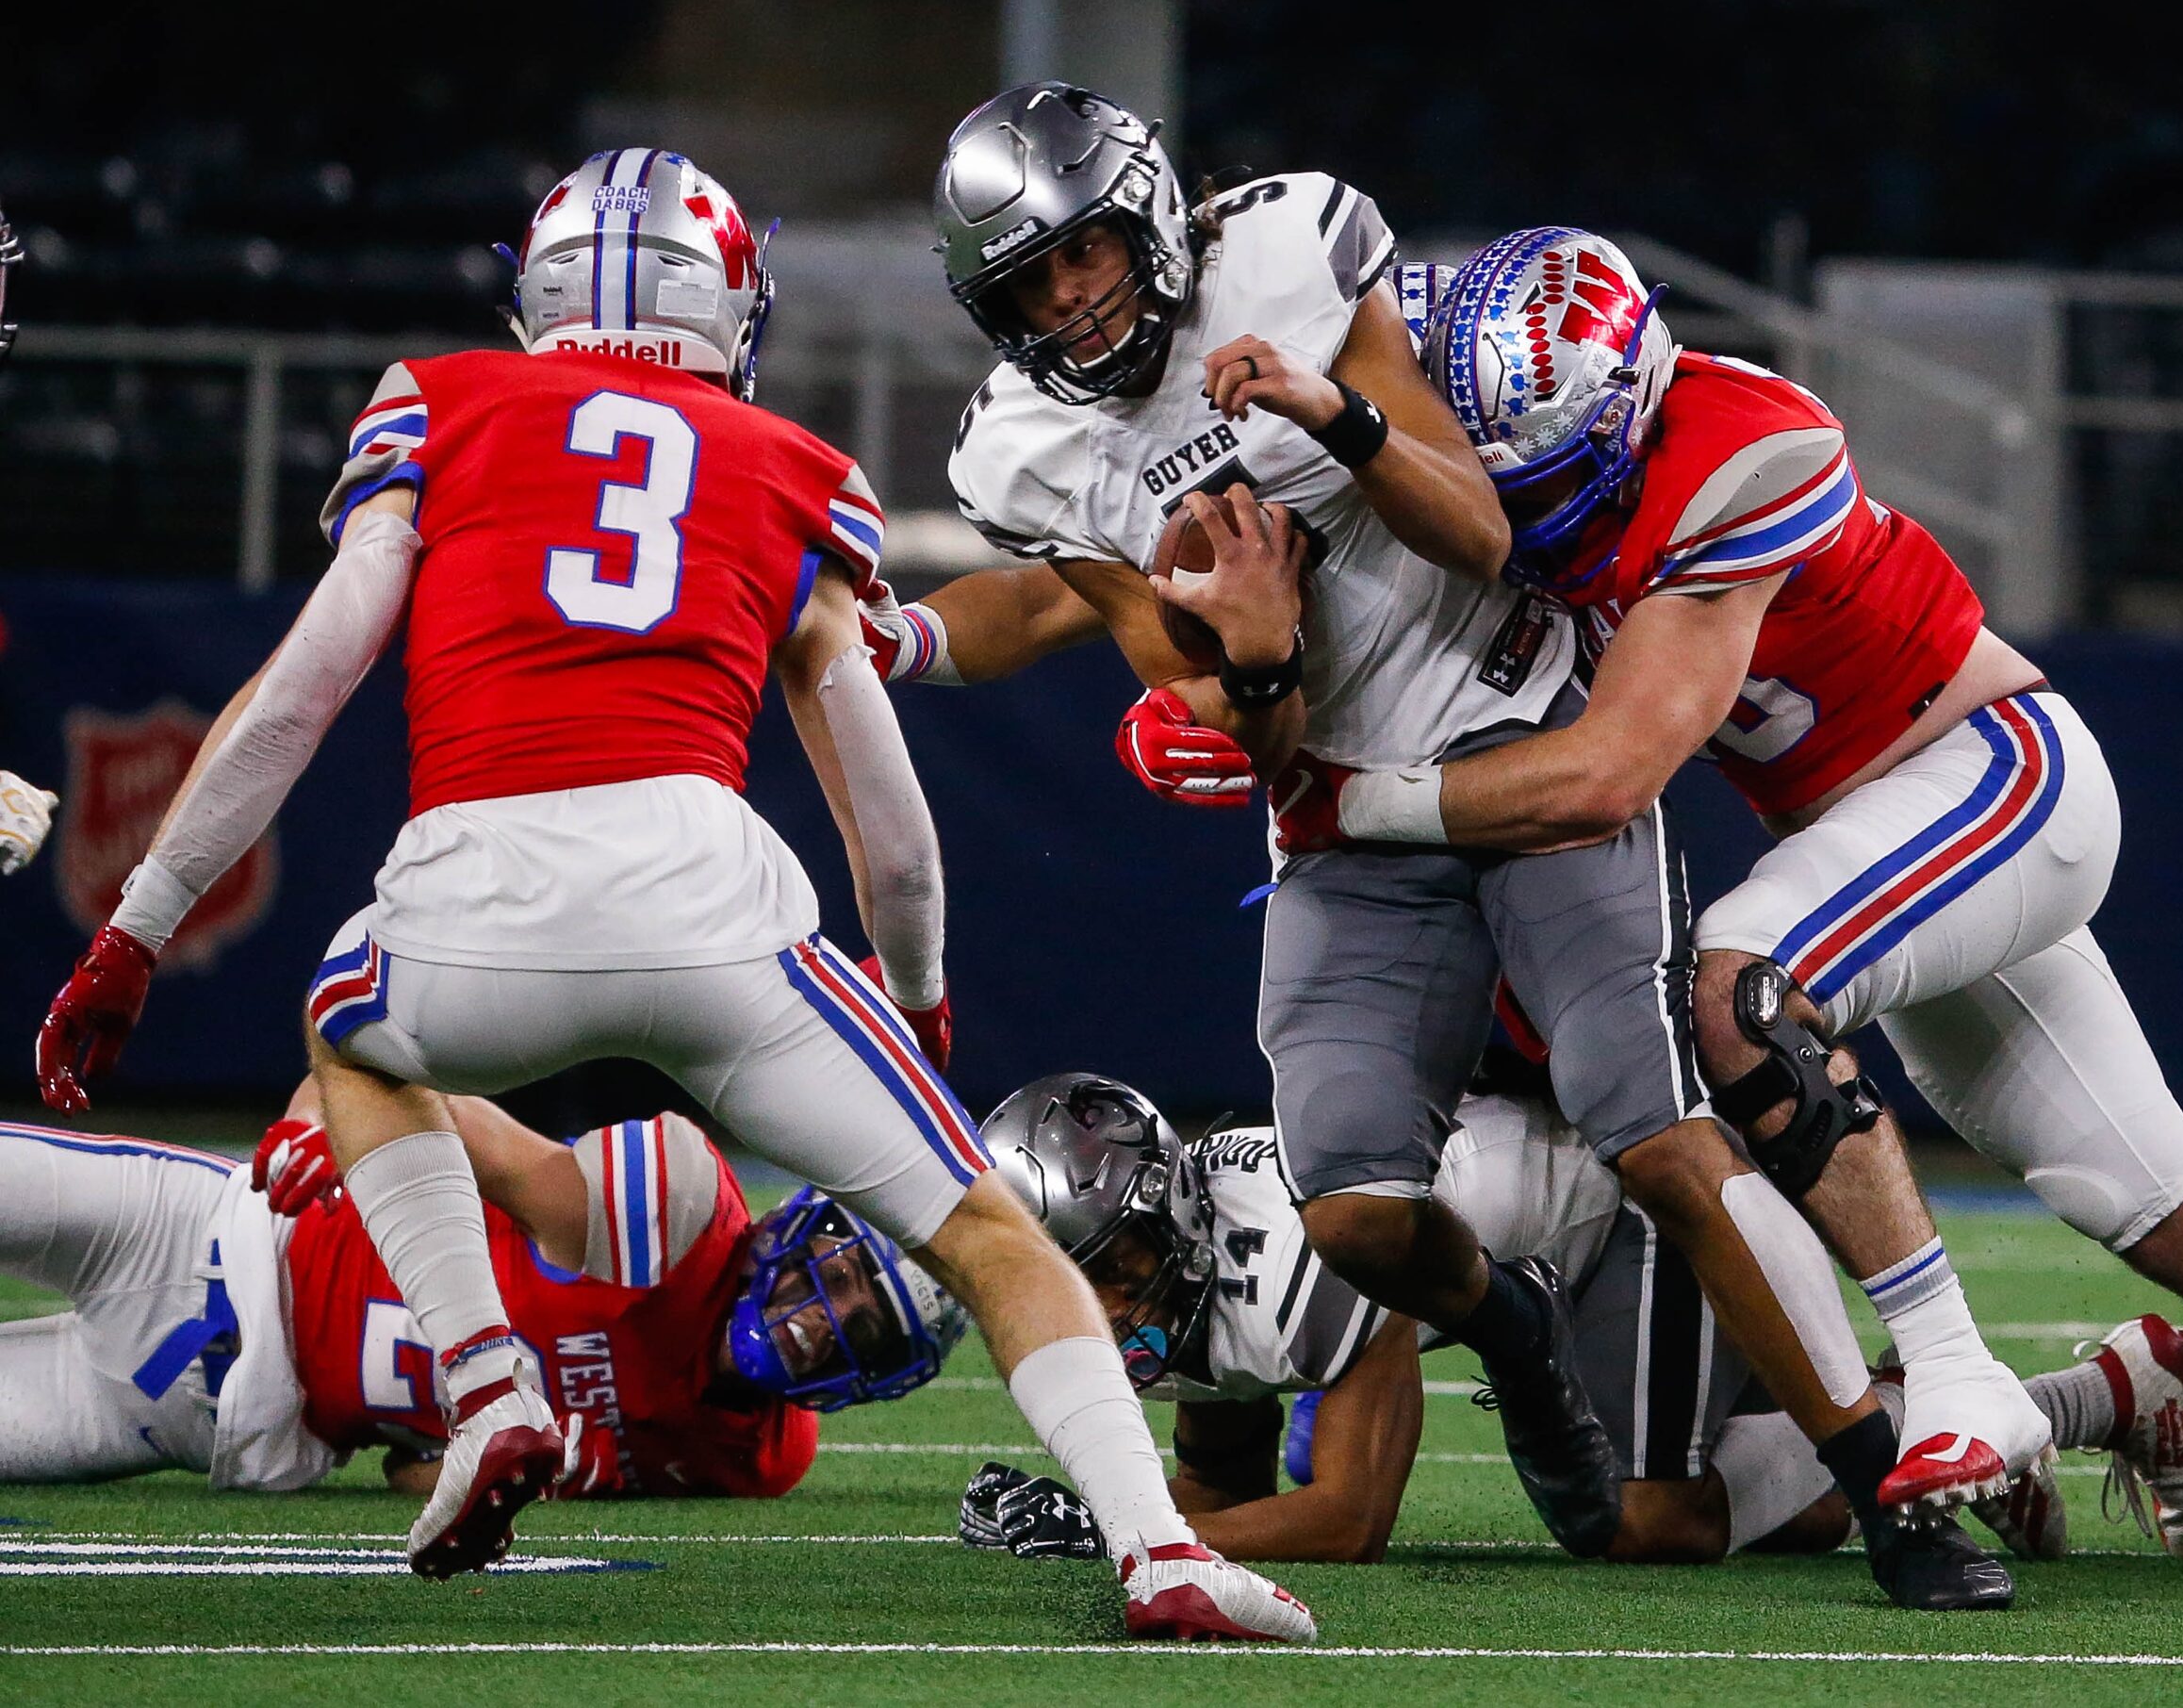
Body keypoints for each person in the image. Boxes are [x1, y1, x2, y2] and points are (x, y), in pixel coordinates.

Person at [30, 147, 1310, 1641]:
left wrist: (131, 934)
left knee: (352, 1036)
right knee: (988, 1233)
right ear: (727, 311)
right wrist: (915, 993)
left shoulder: (440, 401)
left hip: (474, 894)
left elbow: (302, 690)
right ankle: (1158, 1552)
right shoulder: (789, 467)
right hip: (714, 913)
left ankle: (488, 1377)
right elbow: (880, 804)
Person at [1295, 220, 2183, 1605]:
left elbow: (1610, 771)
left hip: (1994, 775)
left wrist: (1357, 799)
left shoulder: (1749, 443)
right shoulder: (1467, 389)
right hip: (1883, 830)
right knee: (2180, 1214)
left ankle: (1953, 1369)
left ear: (1632, 398)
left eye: (1568, 473)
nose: (1535, 512)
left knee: (1739, 983)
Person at [931, 85, 2025, 1608]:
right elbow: (1224, 709)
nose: (1070, 297)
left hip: (1520, 732)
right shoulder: (1026, 453)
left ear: (1154, 216)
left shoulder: (1292, 246)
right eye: (1029, 283)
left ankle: (1883, 1488)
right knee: (1353, 1207)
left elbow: (1479, 526)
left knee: (1653, 1127)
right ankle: (1510, 1328)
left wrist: (1335, 418)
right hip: (1337, 820)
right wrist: (1251, 665)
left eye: (1086, 251)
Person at [960, 1064, 2183, 1572]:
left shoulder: (1295, 1247)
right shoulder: (1181, 1283)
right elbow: (1224, 1466)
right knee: (1797, 1514)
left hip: (1626, 1210)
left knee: (1657, 1522)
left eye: (1118, 1261)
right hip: (1553, 1242)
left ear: (1173, 1212)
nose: (1105, 1300)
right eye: (1079, 1270)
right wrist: (1165, 1508)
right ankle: (2103, 1392)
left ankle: (2019, 1413)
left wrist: (1111, 1524)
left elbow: (1347, 1517)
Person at [0, 1082, 960, 1499]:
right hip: (211, 1236)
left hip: (214, 1420)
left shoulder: (753, 1455)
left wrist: (515, 1467)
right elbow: (438, 1109)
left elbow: (416, 1474)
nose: (827, 1321)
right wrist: (321, 1121)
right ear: (803, 1229)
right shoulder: (676, 1211)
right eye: (842, 1277)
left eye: (867, 1331)